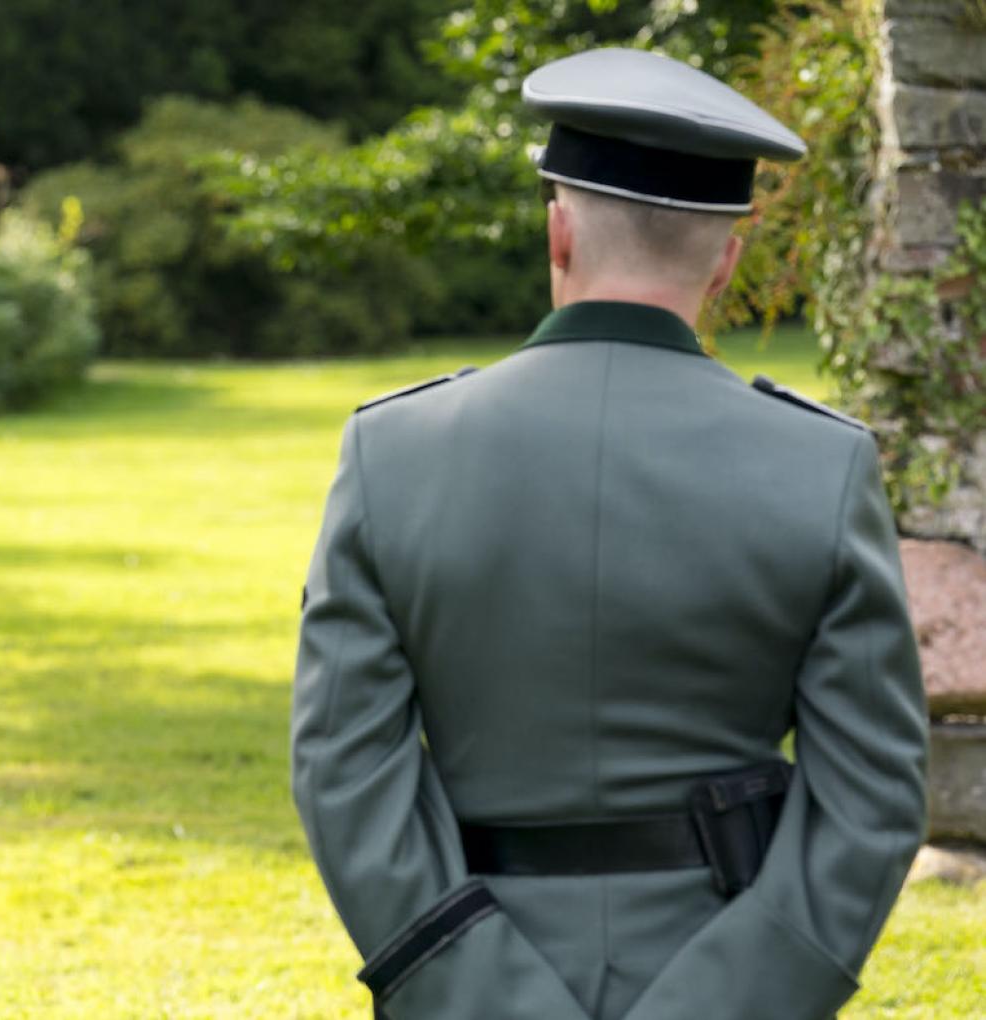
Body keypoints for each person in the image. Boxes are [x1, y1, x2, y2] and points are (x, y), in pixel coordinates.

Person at [292, 48, 928, 1020]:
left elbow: (344, 769)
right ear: (728, 258)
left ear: (557, 232)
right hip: (727, 975)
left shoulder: (393, 451)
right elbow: (873, 801)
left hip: (463, 976)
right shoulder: (822, 468)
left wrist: (478, 993)